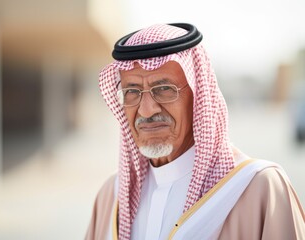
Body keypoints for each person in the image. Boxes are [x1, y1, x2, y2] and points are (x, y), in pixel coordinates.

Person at [85, 23, 305, 240]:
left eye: (164, 89)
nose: (146, 109)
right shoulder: (111, 196)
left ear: (199, 98)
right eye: (132, 91)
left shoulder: (257, 187)